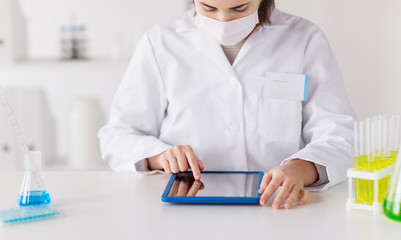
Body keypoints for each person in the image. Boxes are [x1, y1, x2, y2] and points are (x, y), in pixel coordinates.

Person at [98, 0, 355, 209]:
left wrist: (300, 168)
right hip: (186, 210)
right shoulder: (161, 41)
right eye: (208, 8)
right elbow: (118, 135)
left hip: (278, 206)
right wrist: (160, 156)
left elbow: (340, 134)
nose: (223, 21)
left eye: (240, 8)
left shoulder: (305, 39)